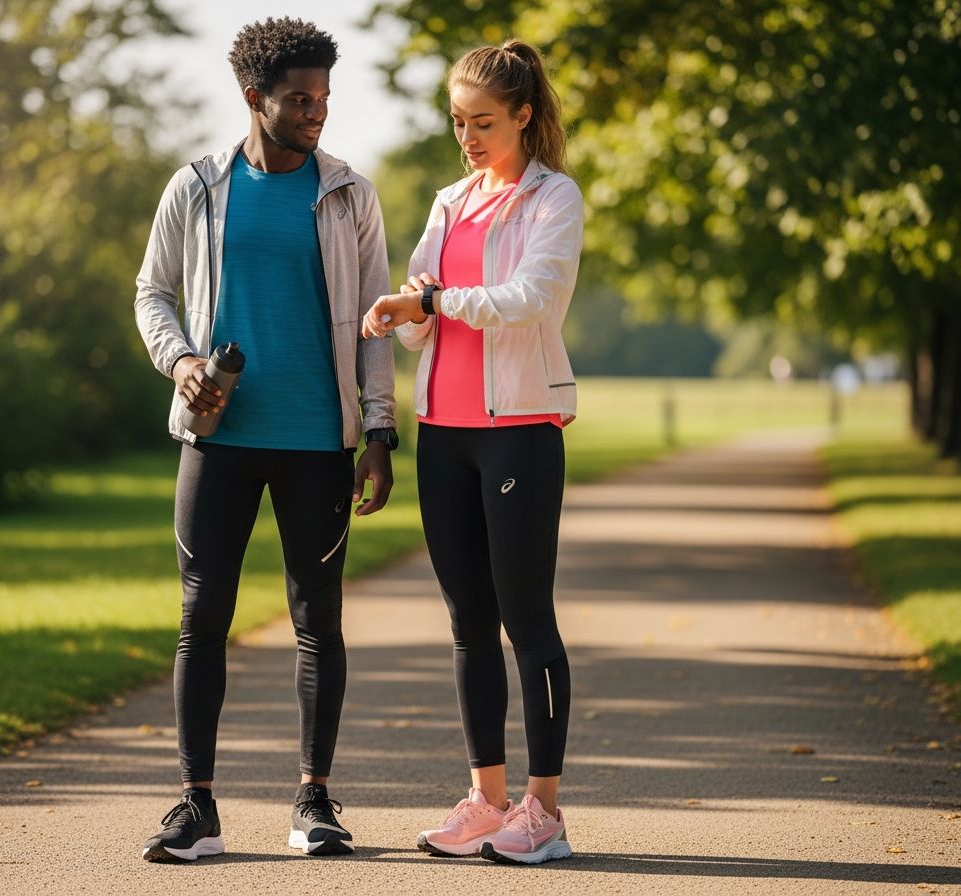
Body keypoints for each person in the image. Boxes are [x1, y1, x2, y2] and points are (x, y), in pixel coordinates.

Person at [134, 16, 396, 862]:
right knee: (200, 616)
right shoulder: (199, 186)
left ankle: (314, 801)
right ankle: (195, 807)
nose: (317, 111)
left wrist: (381, 432)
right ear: (255, 99)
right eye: (299, 99)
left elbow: (377, 326)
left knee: (318, 620)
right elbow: (152, 292)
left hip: (318, 440)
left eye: (323, 97)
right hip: (219, 438)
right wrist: (180, 363)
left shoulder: (349, 192)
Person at [361, 38, 583, 866]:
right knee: (467, 625)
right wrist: (402, 315)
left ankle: (545, 813)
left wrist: (430, 298)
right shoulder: (451, 201)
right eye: (458, 122)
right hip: (445, 436)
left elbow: (530, 299)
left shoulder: (553, 199)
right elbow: (429, 315)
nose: (468, 137)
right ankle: (487, 802)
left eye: (483, 121)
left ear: (524, 115)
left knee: (527, 621)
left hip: (520, 427)